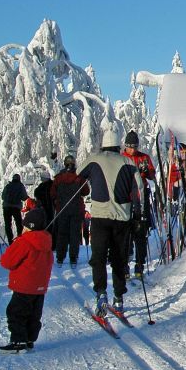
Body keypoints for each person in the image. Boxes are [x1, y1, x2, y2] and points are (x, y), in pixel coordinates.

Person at [79, 128, 143, 315]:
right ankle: (119, 297)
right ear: (118, 145)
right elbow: (140, 188)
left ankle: (101, 293)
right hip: (122, 218)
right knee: (118, 258)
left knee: (98, 257)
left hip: (100, 216)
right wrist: (139, 213)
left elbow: (78, 173)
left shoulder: (94, 159)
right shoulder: (128, 161)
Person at [0, 207, 54, 352]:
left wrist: (12, 247)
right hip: (39, 288)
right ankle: (29, 339)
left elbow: (7, 262)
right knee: (34, 315)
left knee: (16, 313)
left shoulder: (24, 242)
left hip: (23, 286)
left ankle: (19, 341)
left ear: (29, 227)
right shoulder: (47, 242)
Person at [122, 130, 156, 279]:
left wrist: (147, 171)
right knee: (125, 234)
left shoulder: (144, 158)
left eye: (135, 146)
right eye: (130, 147)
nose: (133, 150)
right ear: (126, 146)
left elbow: (152, 175)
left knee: (140, 233)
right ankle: (124, 266)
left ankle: (139, 265)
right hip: (125, 200)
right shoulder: (121, 158)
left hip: (141, 200)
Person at [51, 155, 89, 267]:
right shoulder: (79, 178)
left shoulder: (58, 178)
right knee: (75, 234)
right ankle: (73, 257)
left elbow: (52, 193)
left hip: (62, 210)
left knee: (62, 233)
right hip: (76, 210)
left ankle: (60, 257)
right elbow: (86, 191)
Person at [1, 174, 28, 244]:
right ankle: (20, 239)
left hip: (6, 207)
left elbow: (3, 196)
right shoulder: (20, 186)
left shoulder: (8, 186)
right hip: (16, 207)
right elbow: (24, 197)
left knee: (8, 224)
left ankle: (10, 240)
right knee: (18, 223)